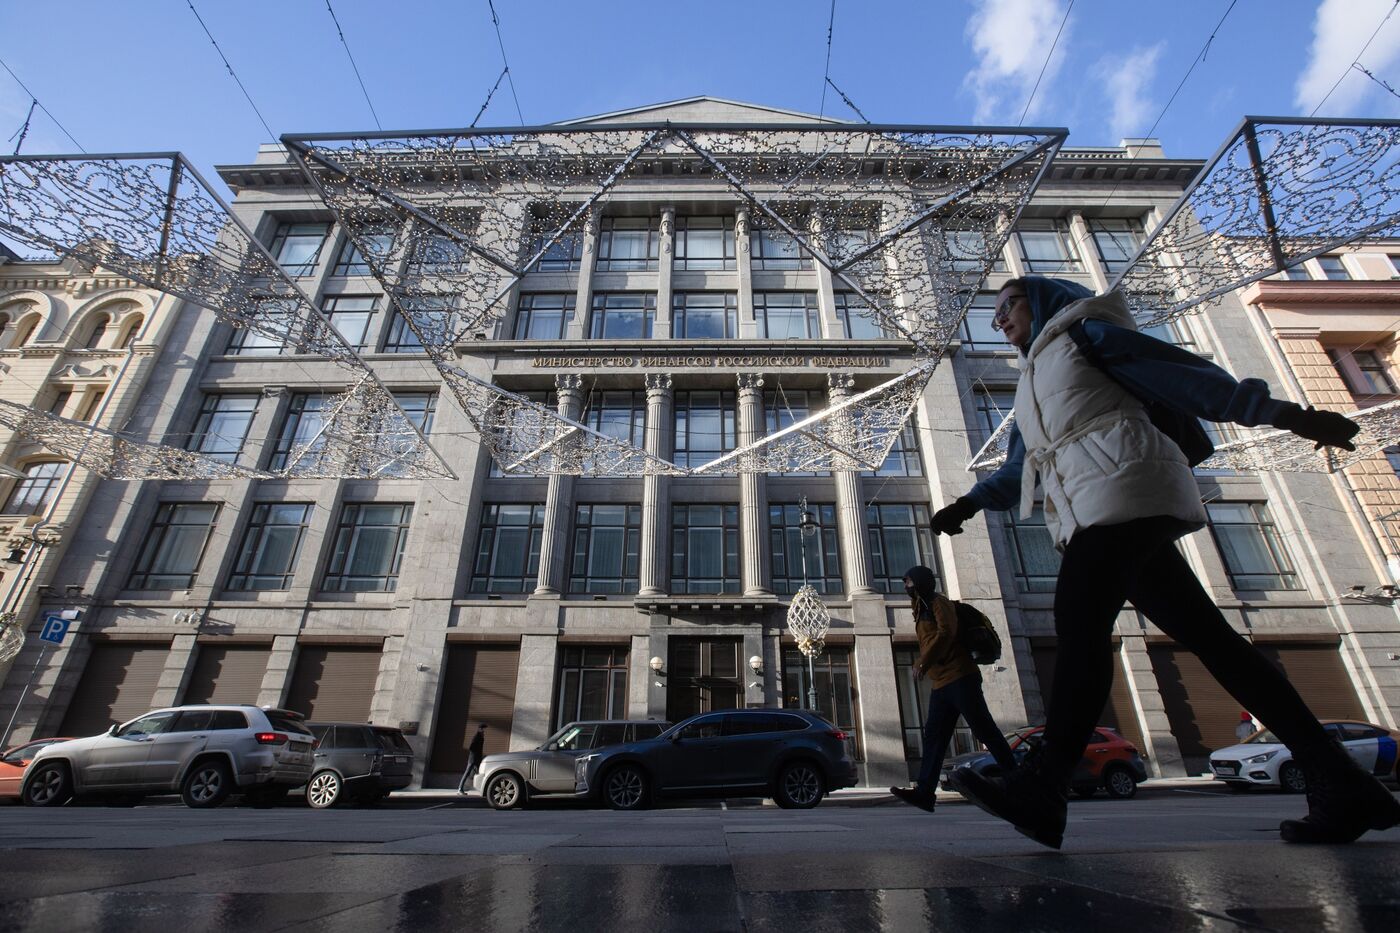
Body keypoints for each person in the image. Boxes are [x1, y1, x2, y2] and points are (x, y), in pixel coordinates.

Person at [940, 275, 1400, 849]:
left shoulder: (1086, 334)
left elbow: (1187, 379)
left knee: (1080, 625)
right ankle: (1341, 782)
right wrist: (967, 504)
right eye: (994, 313)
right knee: (1216, 643)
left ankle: (1044, 786)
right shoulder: (1034, 379)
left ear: (1042, 300)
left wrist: (1288, 414)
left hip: (1129, 487)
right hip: (1094, 505)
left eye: (1007, 305)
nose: (998, 320)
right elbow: (1020, 469)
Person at [891, 566, 1017, 812]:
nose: (906, 587)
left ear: (920, 582)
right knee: (934, 738)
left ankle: (1016, 780)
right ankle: (925, 792)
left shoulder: (939, 603)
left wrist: (922, 662)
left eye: (908, 582)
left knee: (984, 729)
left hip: (960, 677)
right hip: (941, 683)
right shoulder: (920, 608)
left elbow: (946, 632)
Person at [458, 723, 488, 795]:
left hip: (477, 759)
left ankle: (481, 789)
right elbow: (471, 747)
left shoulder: (480, 737)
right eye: (483, 729)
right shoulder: (477, 737)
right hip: (473, 759)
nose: (484, 731)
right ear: (480, 729)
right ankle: (460, 789)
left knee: (480, 773)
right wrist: (476, 755)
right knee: (467, 773)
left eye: (484, 729)